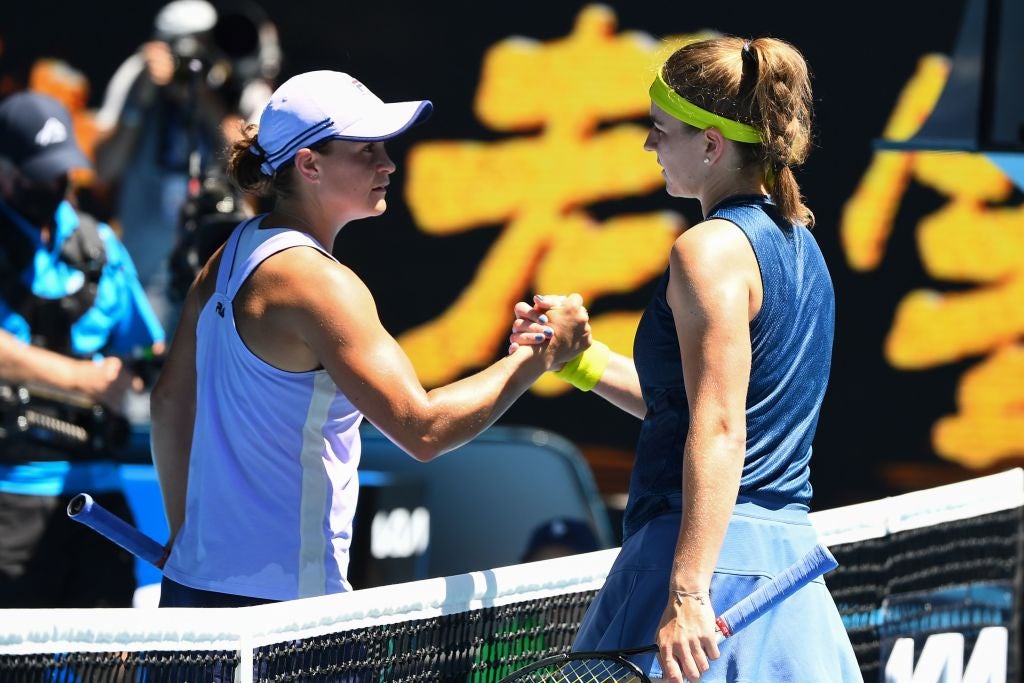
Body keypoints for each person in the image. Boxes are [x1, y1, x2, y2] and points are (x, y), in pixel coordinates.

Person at [149, 70, 592, 608]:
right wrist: (539, 354)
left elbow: (170, 403)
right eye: (366, 151)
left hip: (193, 588)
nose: (387, 164)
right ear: (309, 164)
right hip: (282, 618)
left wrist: (184, 534)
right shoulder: (320, 285)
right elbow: (424, 429)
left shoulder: (230, 255)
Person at [510, 37, 861, 682]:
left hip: (703, 562)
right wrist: (580, 360)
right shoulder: (803, 248)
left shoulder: (708, 250)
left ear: (711, 145)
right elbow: (698, 407)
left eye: (660, 130)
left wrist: (689, 592)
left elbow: (722, 425)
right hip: (780, 566)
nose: (649, 145)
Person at [0, 92, 165, 607]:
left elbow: (146, 350)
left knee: (112, 661)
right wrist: (82, 380)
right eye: (35, 173)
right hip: (10, 494)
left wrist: (132, 377)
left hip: (97, 500)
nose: (52, 185)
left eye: (60, 171)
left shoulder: (100, 246)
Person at [93, 0, 279, 335]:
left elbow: (258, 174)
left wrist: (202, 98)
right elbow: (104, 169)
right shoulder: (138, 74)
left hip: (217, 266)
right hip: (143, 266)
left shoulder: (240, 84)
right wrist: (140, 103)